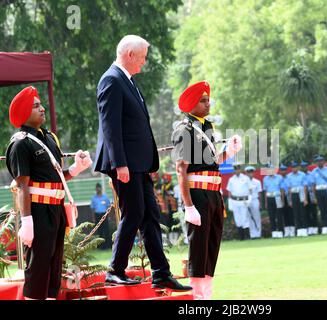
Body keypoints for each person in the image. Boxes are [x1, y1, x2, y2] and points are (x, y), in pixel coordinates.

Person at [93, 35, 190, 290]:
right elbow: (110, 126)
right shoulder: (111, 80)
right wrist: (119, 163)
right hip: (125, 164)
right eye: (143, 57)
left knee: (150, 215)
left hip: (139, 164)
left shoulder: (128, 81)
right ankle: (115, 269)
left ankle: (161, 272)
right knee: (134, 212)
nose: (144, 63)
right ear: (129, 54)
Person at [5, 86, 91, 299]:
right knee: (39, 265)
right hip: (37, 211)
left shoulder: (49, 138)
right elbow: (22, 185)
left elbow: (56, 176)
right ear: (25, 113)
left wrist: (76, 168)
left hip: (56, 209)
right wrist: (27, 222)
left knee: (54, 264)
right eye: (36, 106)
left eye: (41, 104)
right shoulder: (20, 144)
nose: (42, 109)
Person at [172, 80, 242, 300]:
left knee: (212, 245)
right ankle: (197, 296)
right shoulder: (183, 129)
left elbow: (211, 163)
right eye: (203, 101)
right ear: (191, 104)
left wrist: (228, 152)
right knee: (199, 246)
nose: (207, 104)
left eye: (208, 100)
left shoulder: (207, 127)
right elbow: (181, 169)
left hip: (214, 193)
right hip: (198, 195)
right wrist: (188, 205)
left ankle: (207, 294)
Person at [226, 164, 252, 241]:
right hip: (234, 201)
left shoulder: (246, 178)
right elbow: (229, 192)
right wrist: (230, 201)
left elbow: (250, 189)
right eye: (235, 169)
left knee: (245, 218)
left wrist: (249, 199)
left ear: (240, 169)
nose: (236, 170)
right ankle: (241, 237)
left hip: (243, 201)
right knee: (238, 219)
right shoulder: (231, 179)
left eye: (238, 169)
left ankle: (248, 237)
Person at [312, 155, 327, 234]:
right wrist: (314, 197)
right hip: (318, 190)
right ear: (316, 162)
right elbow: (313, 185)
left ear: (324, 162)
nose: (319, 162)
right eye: (318, 161)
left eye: (321, 160)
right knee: (322, 210)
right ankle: (325, 227)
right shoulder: (314, 171)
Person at [287, 161, 309, 237]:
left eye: (295, 167)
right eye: (292, 167)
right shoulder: (289, 176)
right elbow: (289, 189)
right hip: (294, 194)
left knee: (302, 212)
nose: (294, 169)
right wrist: (290, 200)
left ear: (298, 167)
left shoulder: (302, 175)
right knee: (296, 213)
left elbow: (305, 187)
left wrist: (305, 198)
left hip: (301, 193)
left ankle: (304, 229)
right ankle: (299, 230)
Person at [262, 165, 284, 238]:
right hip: (269, 198)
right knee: (271, 216)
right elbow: (265, 192)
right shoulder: (265, 179)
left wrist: (282, 200)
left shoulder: (279, 177)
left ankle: (280, 231)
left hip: (277, 197)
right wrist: (266, 202)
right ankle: (274, 232)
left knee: (279, 215)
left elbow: (282, 190)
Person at [90, 183, 112, 249]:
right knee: (100, 231)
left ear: (101, 188)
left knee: (106, 230)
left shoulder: (105, 197)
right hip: (97, 216)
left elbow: (109, 207)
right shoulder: (93, 198)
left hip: (104, 215)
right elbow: (92, 209)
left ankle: (108, 246)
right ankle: (101, 247)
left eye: (99, 187)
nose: (98, 189)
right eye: (97, 188)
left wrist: (109, 216)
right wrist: (93, 218)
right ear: (95, 189)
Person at [300, 160, 319, 235]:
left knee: (313, 212)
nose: (303, 168)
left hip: (311, 193)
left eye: (305, 166)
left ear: (307, 167)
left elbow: (314, 185)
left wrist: (315, 197)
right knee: (305, 212)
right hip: (303, 194)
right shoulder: (300, 175)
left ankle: (315, 228)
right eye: (302, 167)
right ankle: (308, 228)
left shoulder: (311, 174)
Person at [244, 166, 262, 239]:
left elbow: (259, 193)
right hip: (247, 201)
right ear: (246, 173)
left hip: (255, 200)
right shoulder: (244, 182)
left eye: (251, 172)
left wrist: (260, 203)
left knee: (257, 217)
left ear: (253, 173)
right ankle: (252, 235)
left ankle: (258, 234)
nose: (250, 174)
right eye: (248, 172)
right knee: (249, 218)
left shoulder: (257, 182)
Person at [280, 164, 295, 237]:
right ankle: (286, 231)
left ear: (286, 171)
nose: (283, 172)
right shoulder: (279, 178)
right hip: (281, 197)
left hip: (289, 196)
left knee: (290, 214)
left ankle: (292, 230)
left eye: (284, 170)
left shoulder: (289, 178)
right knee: (284, 214)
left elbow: (290, 188)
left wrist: (291, 200)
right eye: (282, 170)